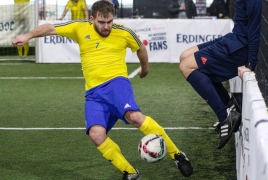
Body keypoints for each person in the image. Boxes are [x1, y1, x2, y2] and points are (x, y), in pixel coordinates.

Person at [12, 0, 193, 179]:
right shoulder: (79, 28)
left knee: (135, 116)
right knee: (96, 134)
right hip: (93, 94)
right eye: (101, 22)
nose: (106, 26)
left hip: (117, 83)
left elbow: (141, 48)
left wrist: (145, 69)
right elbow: (51, 28)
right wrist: (27, 36)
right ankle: (130, 172)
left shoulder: (124, 32)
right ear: (92, 19)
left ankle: (177, 155)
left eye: (109, 22)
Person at [179, 0, 261, 149]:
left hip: (240, 47)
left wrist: (251, 64)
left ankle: (225, 117)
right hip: (233, 38)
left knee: (186, 66)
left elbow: (256, 28)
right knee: (184, 56)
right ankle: (230, 102)